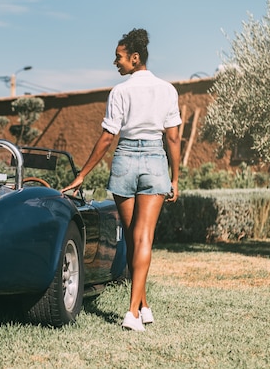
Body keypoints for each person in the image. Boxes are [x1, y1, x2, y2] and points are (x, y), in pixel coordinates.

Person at [61, 28, 181, 331]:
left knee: (132, 236)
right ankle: (135, 310)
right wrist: (175, 178)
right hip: (155, 159)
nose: (115, 62)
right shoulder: (167, 90)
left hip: (125, 159)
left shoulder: (120, 92)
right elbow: (174, 139)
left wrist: (83, 174)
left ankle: (141, 306)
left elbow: (106, 138)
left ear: (135, 57)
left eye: (119, 57)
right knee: (142, 238)